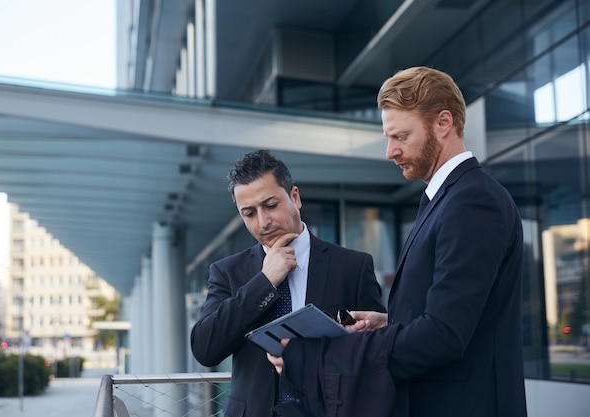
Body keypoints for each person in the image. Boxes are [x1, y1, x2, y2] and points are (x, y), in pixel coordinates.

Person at [268, 67, 528, 417]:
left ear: (443, 123)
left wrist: (315, 357)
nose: (390, 151)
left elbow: (444, 336)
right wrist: (389, 322)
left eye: (401, 136)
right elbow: (454, 316)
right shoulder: (448, 200)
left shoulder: (471, 202)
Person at [190, 149, 386, 417]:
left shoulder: (352, 266)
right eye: (249, 213)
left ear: (295, 197)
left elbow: (376, 351)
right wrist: (265, 281)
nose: (263, 222)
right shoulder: (228, 272)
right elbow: (205, 349)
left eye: (271, 206)